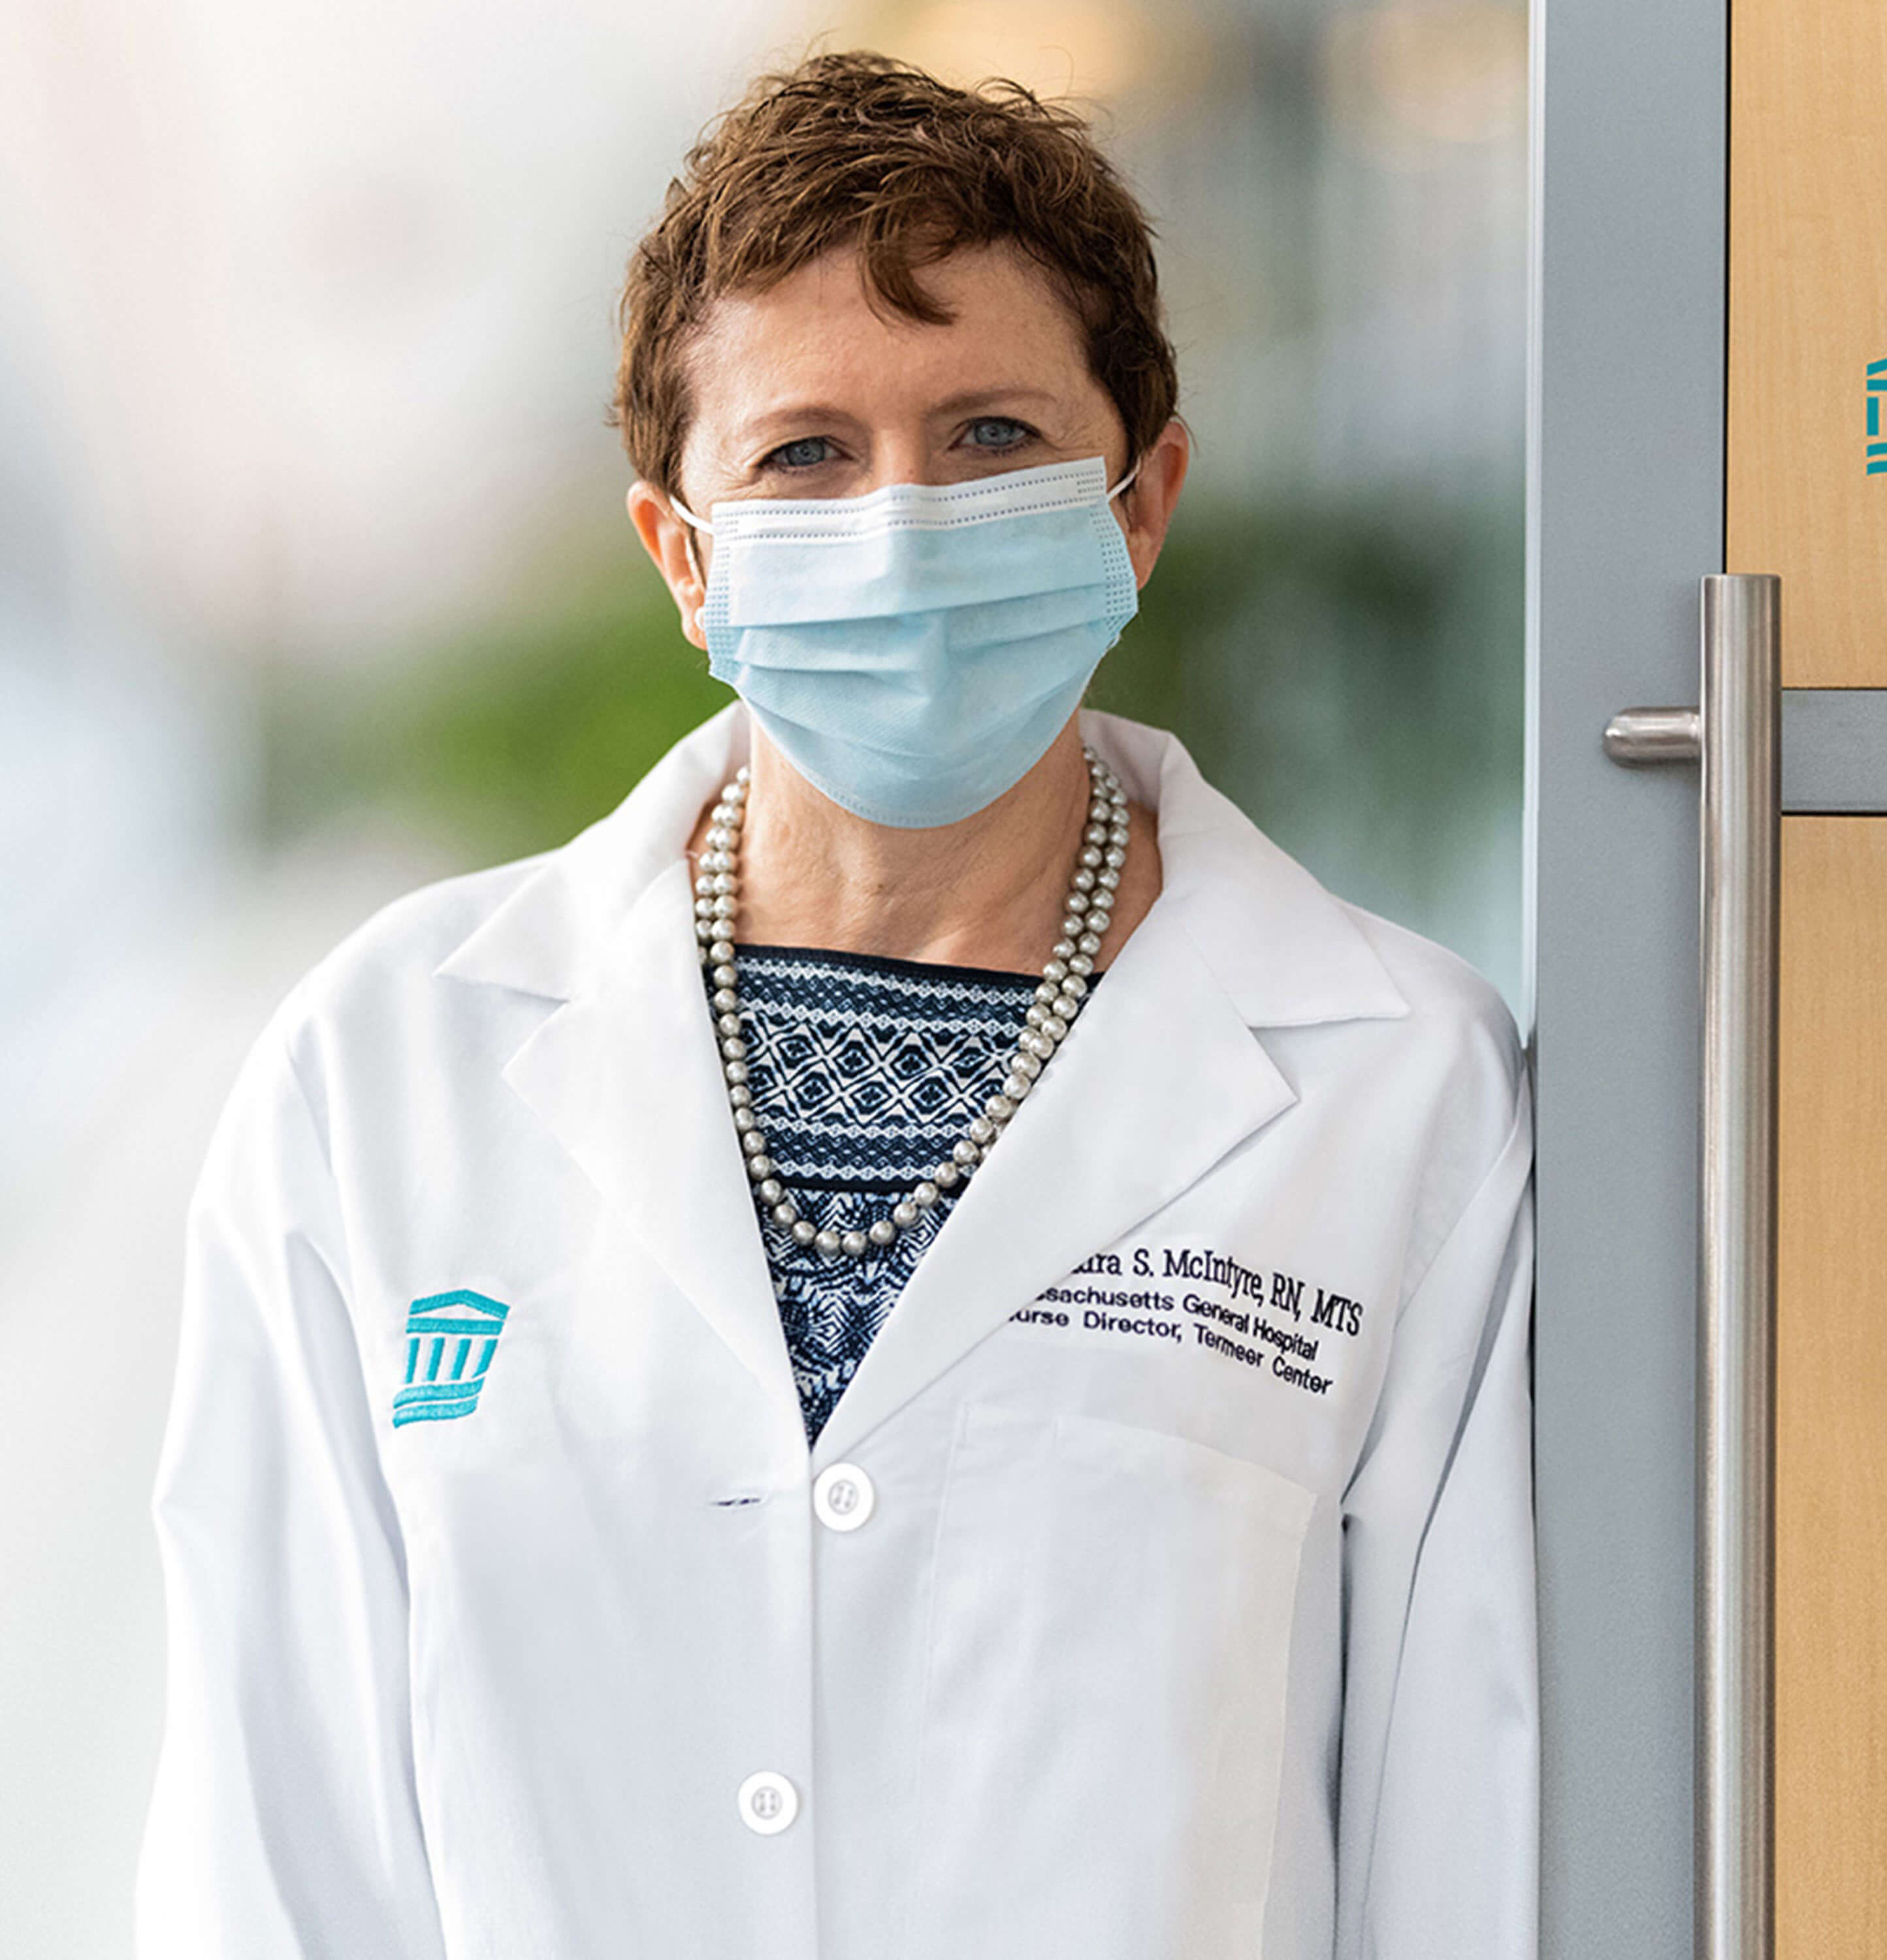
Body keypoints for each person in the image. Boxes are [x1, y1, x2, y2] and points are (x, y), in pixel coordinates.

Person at [134, 53, 1533, 1959]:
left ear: (1139, 505)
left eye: (990, 437)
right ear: (684, 558)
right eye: (805, 454)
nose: (901, 527)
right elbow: (271, 1849)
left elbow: (1461, 1846)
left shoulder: (1400, 1090)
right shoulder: (380, 1077)